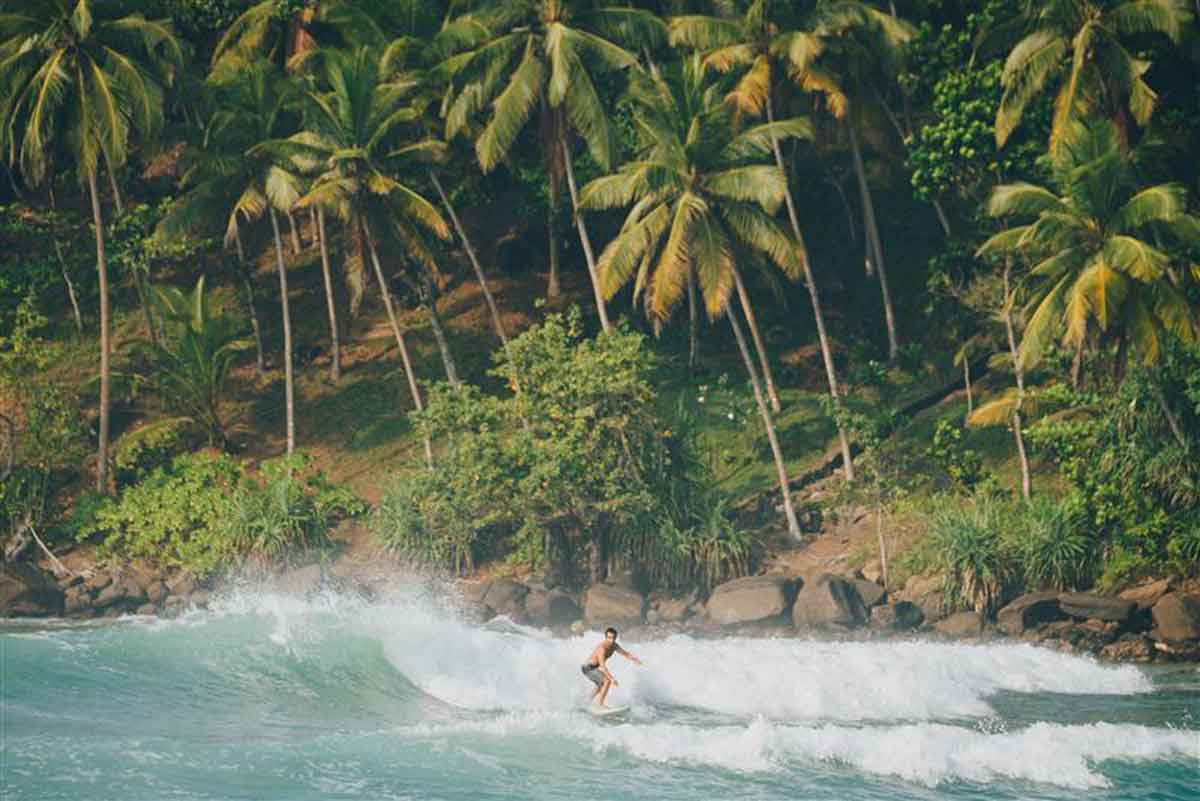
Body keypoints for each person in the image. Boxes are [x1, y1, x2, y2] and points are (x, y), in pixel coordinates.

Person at [580, 626, 641, 708]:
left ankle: (587, 701)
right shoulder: (602, 648)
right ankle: (600, 704)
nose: (611, 640)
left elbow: (625, 654)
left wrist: (635, 659)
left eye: (613, 638)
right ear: (606, 637)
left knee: (600, 684)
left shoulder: (614, 645)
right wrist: (612, 678)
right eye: (609, 638)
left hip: (593, 667)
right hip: (587, 668)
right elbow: (602, 666)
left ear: (615, 637)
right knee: (607, 681)